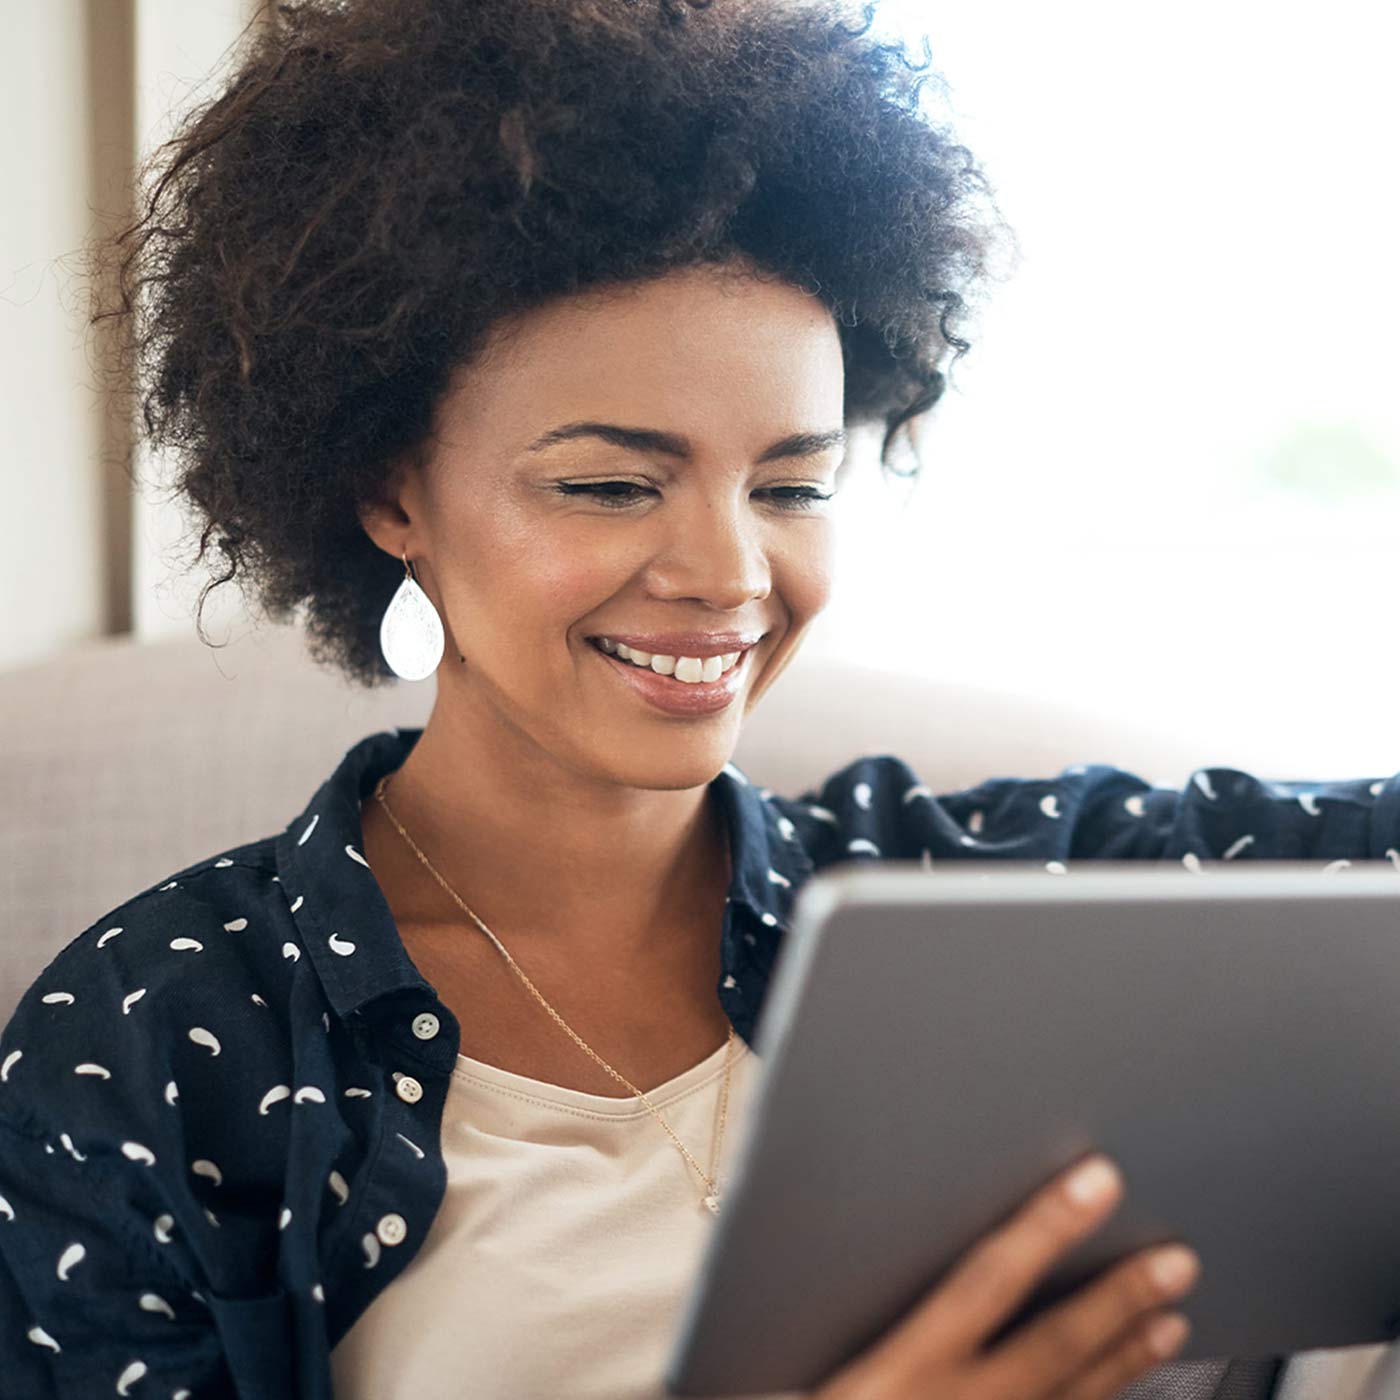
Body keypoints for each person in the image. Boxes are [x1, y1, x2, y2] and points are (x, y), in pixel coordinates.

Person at [2, 0, 1397, 1396]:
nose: (732, 573)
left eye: (791, 487)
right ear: (389, 490)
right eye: (611, 485)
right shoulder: (150, 1042)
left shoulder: (976, 898)